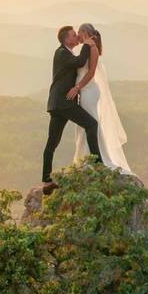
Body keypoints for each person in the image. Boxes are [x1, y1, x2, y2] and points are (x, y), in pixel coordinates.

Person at [42, 25, 102, 194]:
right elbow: (80, 62)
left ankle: (47, 182)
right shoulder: (62, 53)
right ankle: (98, 165)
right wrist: (87, 44)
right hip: (64, 103)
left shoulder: (65, 53)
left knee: (52, 142)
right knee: (91, 124)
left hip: (58, 104)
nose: (77, 37)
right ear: (66, 39)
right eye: (74, 35)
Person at [70, 23, 133, 175]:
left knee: (89, 124)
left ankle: (94, 159)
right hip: (85, 90)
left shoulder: (92, 48)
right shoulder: (87, 47)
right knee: (87, 124)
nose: (77, 34)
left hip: (88, 91)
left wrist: (77, 87)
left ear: (83, 32)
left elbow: (91, 73)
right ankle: (86, 158)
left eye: (78, 31)